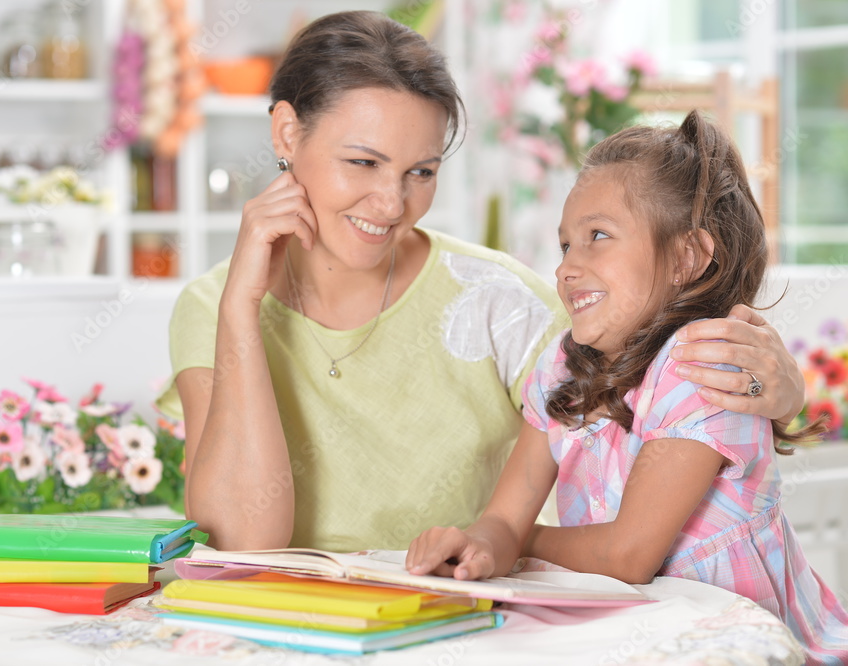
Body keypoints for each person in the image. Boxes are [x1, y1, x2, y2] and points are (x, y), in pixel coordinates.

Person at [156, 10, 807, 554]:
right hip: (289, 629)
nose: (392, 202)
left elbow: (652, 404)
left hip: (466, 624)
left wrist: (782, 397)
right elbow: (241, 540)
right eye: (363, 161)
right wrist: (242, 309)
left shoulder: (497, 300)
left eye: (421, 171)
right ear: (286, 132)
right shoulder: (212, 306)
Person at [404, 110, 848, 662]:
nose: (567, 267)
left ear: (687, 257)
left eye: (598, 236)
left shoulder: (703, 365)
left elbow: (627, 556)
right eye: (566, 245)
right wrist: (479, 544)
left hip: (741, 646)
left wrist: (517, 542)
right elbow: (501, 517)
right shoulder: (561, 368)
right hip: (633, 637)